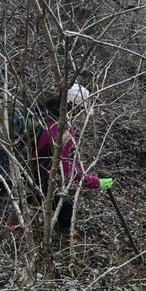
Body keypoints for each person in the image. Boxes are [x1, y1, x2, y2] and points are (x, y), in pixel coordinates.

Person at [30, 83, 113, 243]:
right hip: (41, 180)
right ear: (73, 108)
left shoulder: (42, 117)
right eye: (81, 109)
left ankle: (16, 227)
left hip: (24, 174)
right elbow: (68, 170)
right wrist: (96, 183)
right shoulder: (62, 131)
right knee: (65, 206)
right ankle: (64, 242)